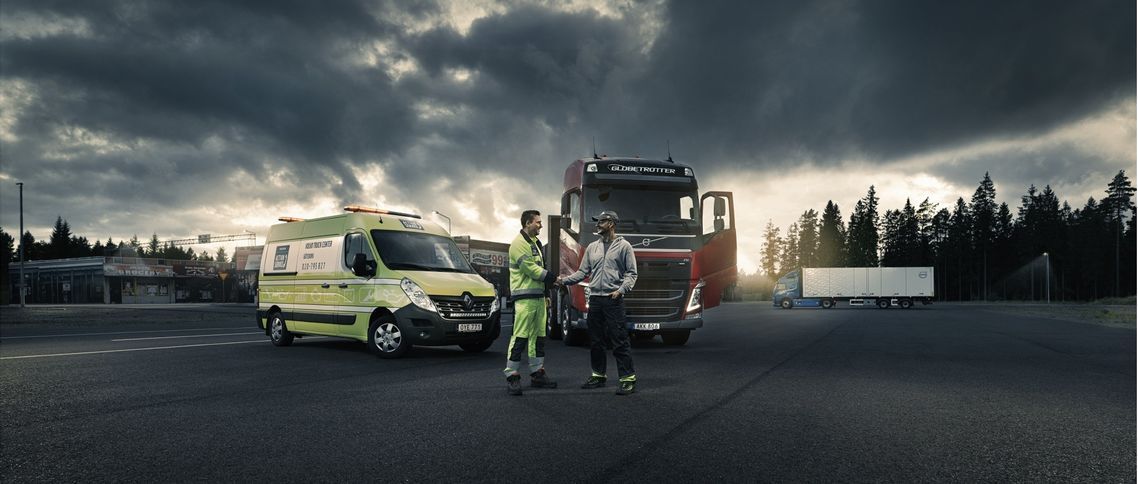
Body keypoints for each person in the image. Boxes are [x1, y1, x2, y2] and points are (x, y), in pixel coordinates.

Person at [557, 210, 639, 395]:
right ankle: (598, 376)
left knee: (619, 341)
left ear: (611, 223)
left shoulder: (624, 246)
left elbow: (632, 273)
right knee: (596, 341)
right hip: (594, 299)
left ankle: (627, 379)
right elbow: (581, 272)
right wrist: (563, 280)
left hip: (613, 299)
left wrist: (621, 290)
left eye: (601, 221)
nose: (597, 224)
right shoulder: (592, 247)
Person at [504, 209, 559, 396]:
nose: (540, 225)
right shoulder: (518, 244)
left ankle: (537, 374)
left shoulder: (535, 243)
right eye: (537, 222)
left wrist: (545, 294)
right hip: (524, 300)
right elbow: (531, 269)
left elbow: (539, 269)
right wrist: (554, 279)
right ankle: (512, 376)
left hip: (537, 299)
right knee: (520, 337)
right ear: (527, 223)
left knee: (539, 338)